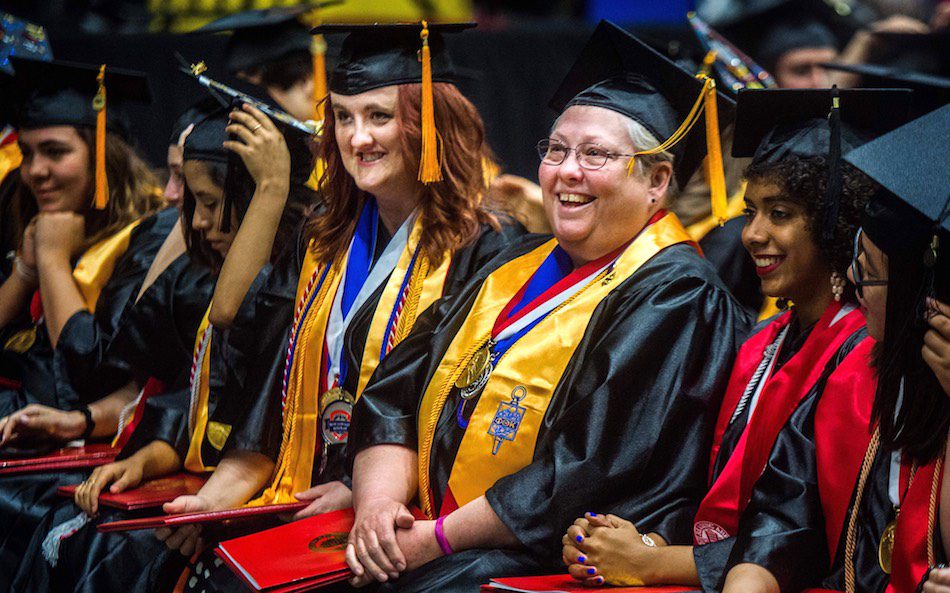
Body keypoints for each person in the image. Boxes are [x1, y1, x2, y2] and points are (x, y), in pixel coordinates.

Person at [340, 21, 748, 593]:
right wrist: (379, 510)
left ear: (657, 181)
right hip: (435, 531)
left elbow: (584, 470)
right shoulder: (516, 262)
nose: (567, 171)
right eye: (556, 149)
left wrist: (437, 539)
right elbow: (397, 386)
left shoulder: (678, 296)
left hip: (551, 560)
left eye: (596, 154)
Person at [157, 22, 525, 591]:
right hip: (303, 497)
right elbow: (267, 387)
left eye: (379, 116)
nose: (357, 138)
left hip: (404, 515)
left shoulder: (491, 247)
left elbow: (466, 410)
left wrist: (363, 490)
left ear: (431, 124)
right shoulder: (323, 237)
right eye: (344, 117)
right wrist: (209, 501)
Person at [558, 87, 911, 589]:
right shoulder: (763, 341)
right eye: (751, 212)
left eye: (780, 214)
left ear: (837, 222)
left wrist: (654, 562)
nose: (753, 233)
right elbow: (712, 490)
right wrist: (640, 539)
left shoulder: (858, 357)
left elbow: (809, 537)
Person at [9, 100, 314, 593]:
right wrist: (142, 460)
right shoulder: (200, 265)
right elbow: (189, 397)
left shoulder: (295, 284)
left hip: (260, 494)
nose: (192, 221)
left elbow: (230, 326)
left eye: (209, 203)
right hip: (207, 482)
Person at [719, 103, 950, 593]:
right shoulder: (877, 370)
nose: (853, 279)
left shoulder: (855, 355)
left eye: (868, 270)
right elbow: (788, 506)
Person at [0, 57, 170, 589]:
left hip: (82, 449)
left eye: (55, 152)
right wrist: (28, 267)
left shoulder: (149, 237)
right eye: (27, 154)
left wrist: (53, 261)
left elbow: (91, 370)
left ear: (103, 154)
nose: (36, 171)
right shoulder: (21, 209)